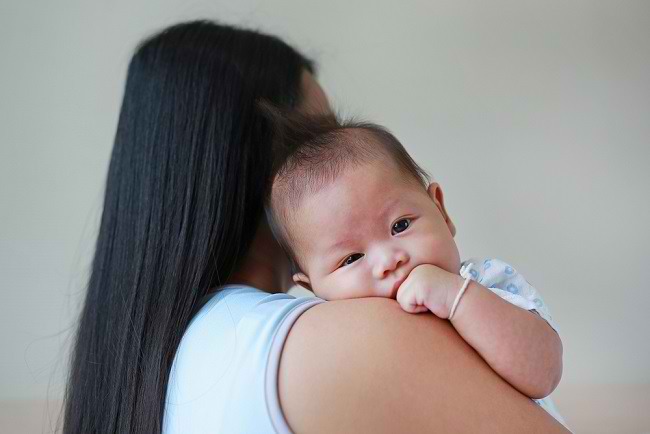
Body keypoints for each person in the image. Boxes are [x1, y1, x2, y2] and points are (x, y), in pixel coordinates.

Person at [62, 20, 570, 433]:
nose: (389, 260)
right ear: (261, 178)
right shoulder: (352, 339)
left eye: (399, 223)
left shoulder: (161, 370)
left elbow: (542, 365)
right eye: (317, 139)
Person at [264, 112, 566, 424]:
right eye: (351, 259)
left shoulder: (483, 281)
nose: (388, 260)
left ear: (441, 210)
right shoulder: (334, 345)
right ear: (312, 287)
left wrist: (456, 298)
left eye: (400, 225)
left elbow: (544, 372)